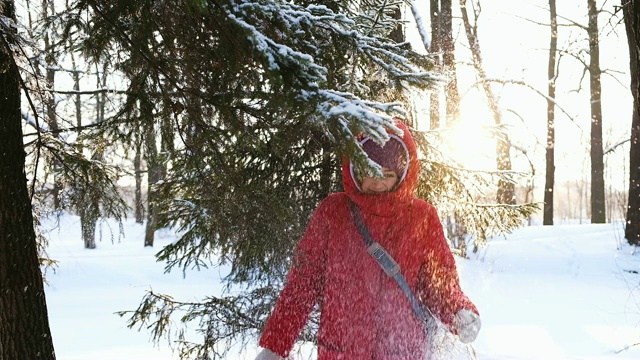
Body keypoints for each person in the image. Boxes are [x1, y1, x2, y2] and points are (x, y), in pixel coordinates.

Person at [254, 119, 480, 360]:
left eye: (387, 174)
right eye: (369, 172)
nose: (378, 183)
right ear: (355, 170)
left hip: (402, 350)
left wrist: (458, 311)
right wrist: (275, 346)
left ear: (403, 173)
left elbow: (438, 282)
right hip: (343, 352)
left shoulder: (421, 216)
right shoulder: (333, 212)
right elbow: (302, 285)